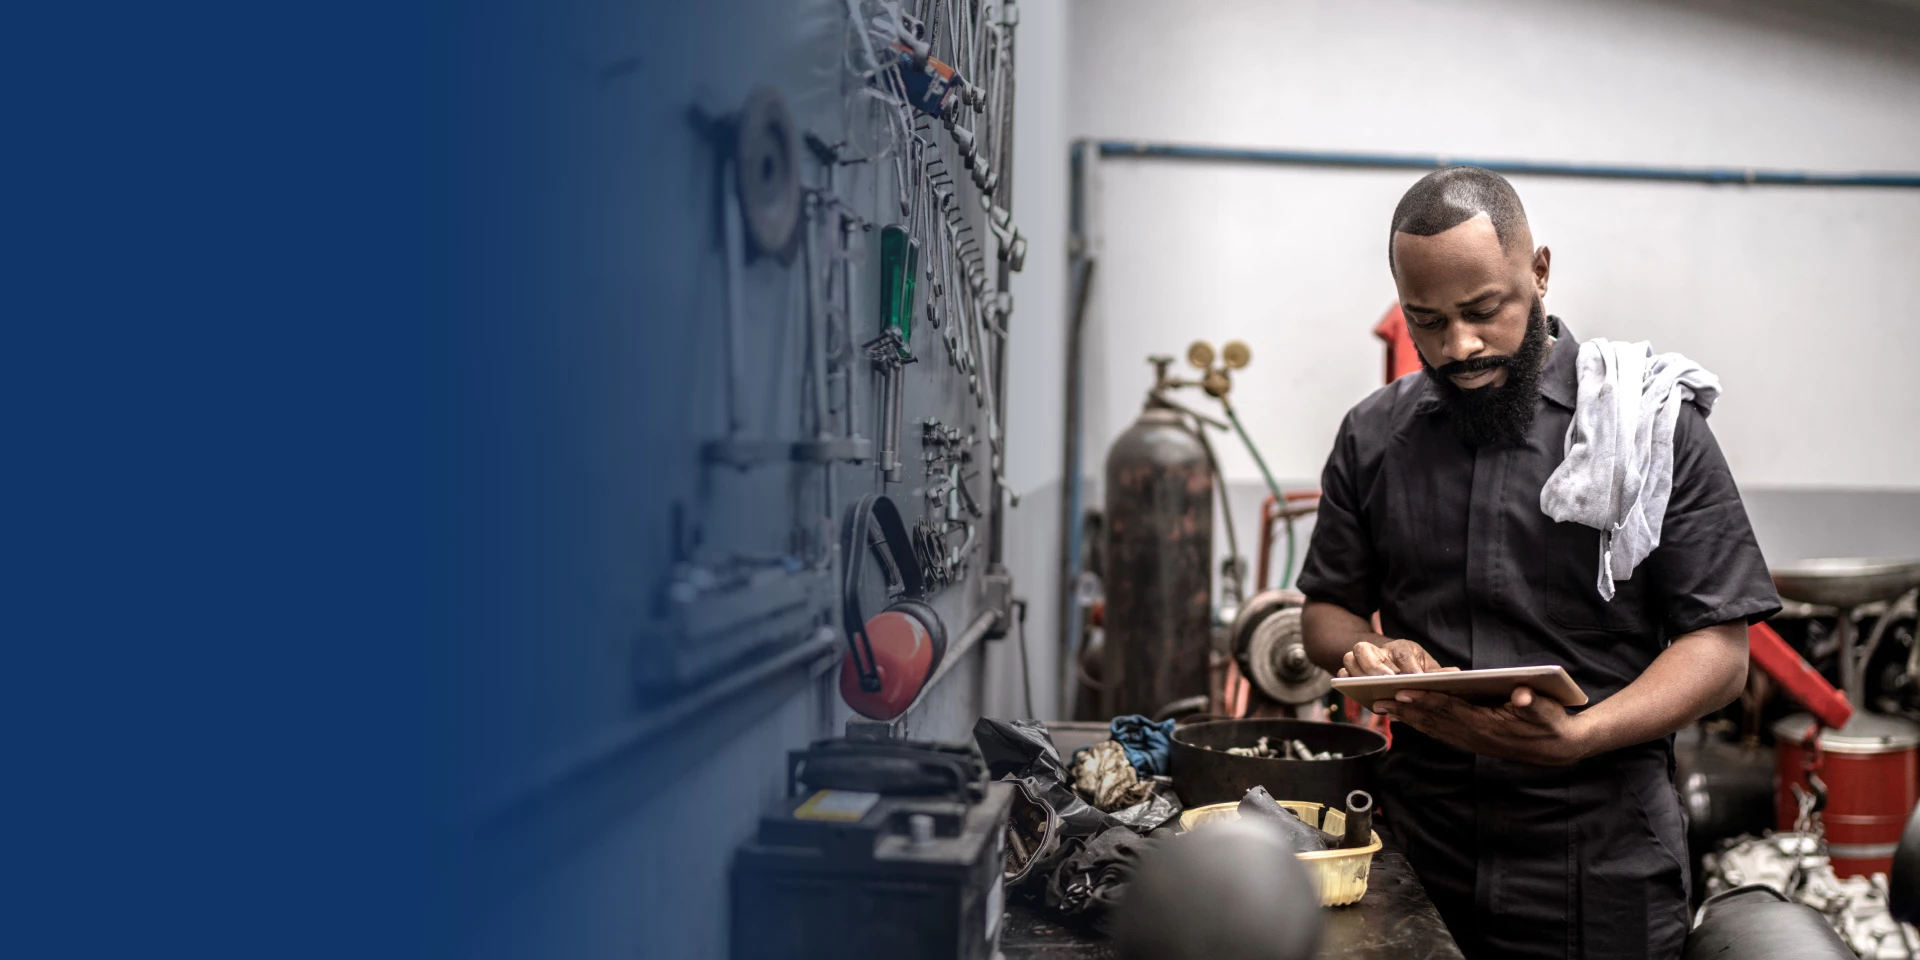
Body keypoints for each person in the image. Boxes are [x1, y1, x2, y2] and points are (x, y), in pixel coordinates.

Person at [1297, 166, 1781, 960]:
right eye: (1428, 321)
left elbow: (1720, 653)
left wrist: (1583, 735)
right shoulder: (1374, 437)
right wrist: (1371, 655)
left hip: (1600, 869)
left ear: (1541, 271)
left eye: (1485, 311)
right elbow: (1325, 611)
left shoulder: (1646, 429)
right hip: (1418, 855)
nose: (1460, 347)